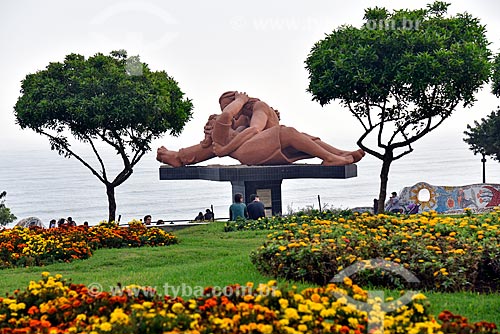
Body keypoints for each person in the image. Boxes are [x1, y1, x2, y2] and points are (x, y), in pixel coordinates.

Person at [157, 91, 365, 167]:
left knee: (303, 137)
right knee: (289, 132)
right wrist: (226, 146)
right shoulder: (231, 122)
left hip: (261, 149)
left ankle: (338, 154)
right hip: (255, 151)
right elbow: (231, 127)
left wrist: (225, 148)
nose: (230, 113)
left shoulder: (257, 109)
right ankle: (180, 157)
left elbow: (255, 131)